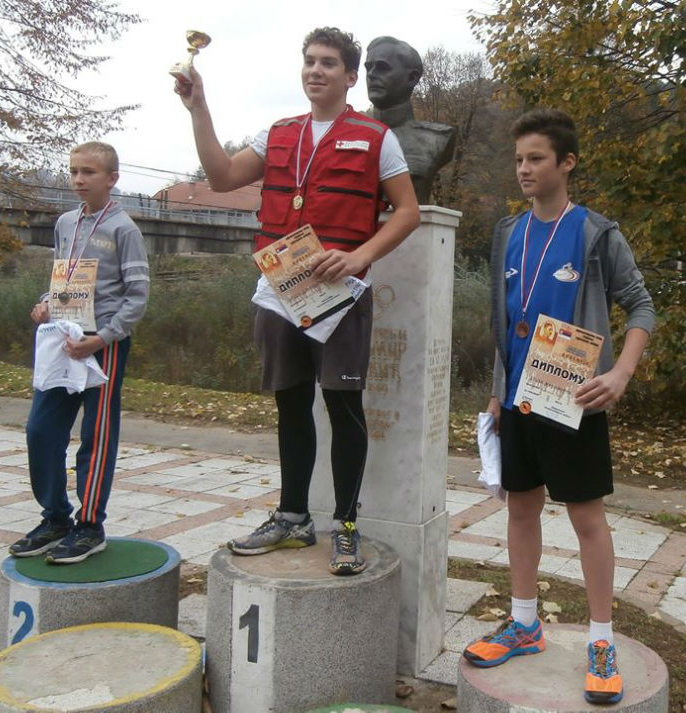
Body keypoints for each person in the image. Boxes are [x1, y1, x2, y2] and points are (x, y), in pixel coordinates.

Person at [175, 27, 419, 575]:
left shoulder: (376, 137)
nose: (315, 70)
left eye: (328, 63)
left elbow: (407, 212)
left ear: (350, 76)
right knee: (290, 402)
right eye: (309, 61)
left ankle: (347, 526)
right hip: (280, 291)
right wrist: (198, 107)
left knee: (343, 407)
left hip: (340, 294)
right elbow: (220, 176)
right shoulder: (279, 133)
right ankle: (292, 517)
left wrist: (359, 257)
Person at [462, 109, 655, 705]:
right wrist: (496, 391)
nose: (524, 169)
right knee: (521, 509)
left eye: (536, 158)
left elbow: (642, 306)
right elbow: (507, 321)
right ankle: (525, 624)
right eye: (518, 159)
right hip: (519, 400)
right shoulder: (507, 232)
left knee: (586, 519)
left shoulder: (596, 233)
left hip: (574, 400)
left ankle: (602, 640)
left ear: (566, 163)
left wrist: (620, 374)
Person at [9, 141, 150, 564]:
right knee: (40, 430)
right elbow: (62, 278)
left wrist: (104, 338)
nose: (78, 180)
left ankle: (89, 527)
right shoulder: (66, 223)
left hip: (102, 344)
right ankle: (55, 518)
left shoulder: (124, 229)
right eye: (73, 171)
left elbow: (137, 296)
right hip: (63, 339)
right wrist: (44, 303)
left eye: (89, 172)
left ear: (112, 178)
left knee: (96, 436)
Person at [365, 36, 455, 204]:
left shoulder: (436, 139)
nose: (371, 75)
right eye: (368, 68)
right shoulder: (352, 137)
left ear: (412, 78)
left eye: (382, 67)